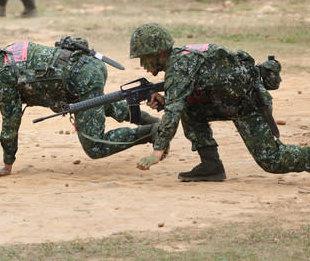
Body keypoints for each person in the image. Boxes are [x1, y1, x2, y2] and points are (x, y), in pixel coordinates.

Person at [0, 34, 159, 179]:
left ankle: (152, 132)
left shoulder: (5, 73)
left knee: (95, 145)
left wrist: (7, 164)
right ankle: (149, 120)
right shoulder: (10, 52)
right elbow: (39, 83)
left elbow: (11, 122)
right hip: (84, 69)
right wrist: (4, 93)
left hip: (82, 79)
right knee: (97, 106)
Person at [130, 23, 310, 181]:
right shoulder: (181, 57)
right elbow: (188, 95)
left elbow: (172, 113)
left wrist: (157, 152)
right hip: (228, 101)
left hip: (250, 104)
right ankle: (211, 166)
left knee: (272, 160)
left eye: (144, 57)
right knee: (188, 109)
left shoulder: (179, 68)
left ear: (159, 52)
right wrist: (166, 100)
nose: (142, 65)